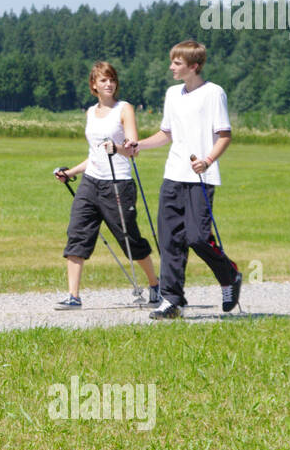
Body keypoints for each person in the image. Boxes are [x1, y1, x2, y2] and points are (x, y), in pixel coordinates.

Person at [125, 39, 242, 319]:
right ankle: (171, 300)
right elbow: (167, 134)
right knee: (169, 239)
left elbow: (224, 135)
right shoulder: (172, 94)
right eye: (172, 61)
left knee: (198, 237)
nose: (171, 67)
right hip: (173, 176)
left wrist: (208, 160)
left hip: (201, 176)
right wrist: (139, 145)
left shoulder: (214, 93)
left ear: (194, 65)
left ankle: (230, 275)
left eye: (177, 63)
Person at [53, 62, 159, 309]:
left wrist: (118, 148)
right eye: (103, 80)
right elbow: (95, 154)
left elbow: (133, 150)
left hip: (118, 183)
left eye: (111, 79)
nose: (108, 84)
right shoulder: (90, 112)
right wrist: (70, 173)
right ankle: (73, 296)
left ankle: (155, 284)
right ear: (94, 85)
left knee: (129, 239)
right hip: (91, 182)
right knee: (77, 233)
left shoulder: (124, 109)